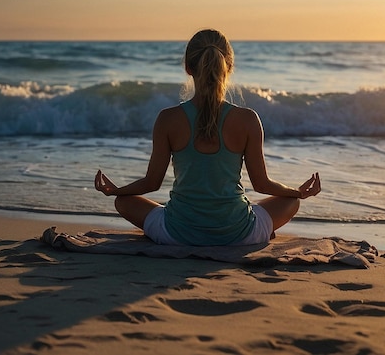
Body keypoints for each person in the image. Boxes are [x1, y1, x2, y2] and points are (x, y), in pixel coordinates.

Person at [95, 29, 321, 246]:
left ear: (188, 68)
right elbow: (261, 185)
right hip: (238, 233)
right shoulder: (248, 119)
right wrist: (297, 192)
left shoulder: (167, 119)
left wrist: (116, 191)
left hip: (177, 233)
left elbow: (151, 183)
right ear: (229, 66)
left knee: (123, 202)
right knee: (290, 203)